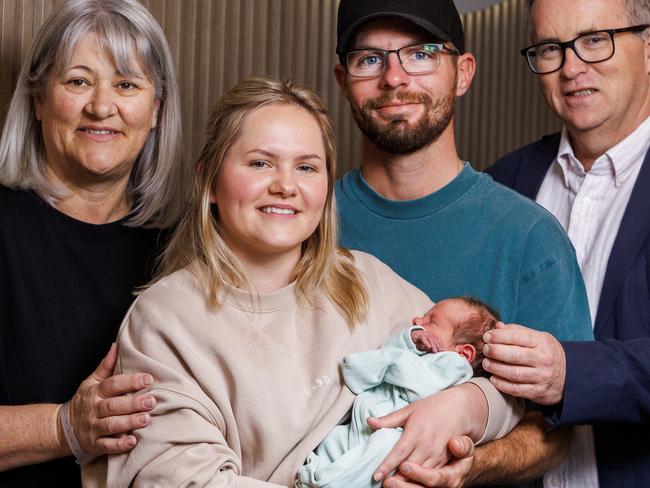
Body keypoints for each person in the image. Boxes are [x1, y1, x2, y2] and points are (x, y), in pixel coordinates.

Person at [81, 77, 519, 487]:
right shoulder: (165, 319)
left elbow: (498, 392)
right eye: (259, 163)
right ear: (209, 181)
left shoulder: (370, 282)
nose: (285, 186)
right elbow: (182, 478)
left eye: (307, 168)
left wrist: (465, 406)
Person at [331, 0, 594, 486]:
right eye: (369, 59)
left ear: (463, 73)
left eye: (421, 54)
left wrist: (471, 461)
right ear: (343, 79)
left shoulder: (531, 239)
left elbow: (563, 429)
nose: (393, 78)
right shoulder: (304, 226)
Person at [0, 0, 187, 486]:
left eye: (126, 84)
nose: (102, 106)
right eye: (78, 81)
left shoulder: (185, 249)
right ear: (39, 100)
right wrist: (64, 427)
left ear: (155, 110)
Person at [485, 0, 650, 486]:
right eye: (551, 48)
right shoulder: (505, 182)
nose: (572, 69)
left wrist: (570, 374)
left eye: (595, 40)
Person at [297, 297, 501, 488]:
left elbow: (406, 373)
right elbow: (371, 364)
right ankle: (315, 475)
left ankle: (326, 483)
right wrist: (408, 341)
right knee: (331, 440)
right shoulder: (414, 354)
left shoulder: (454, 367)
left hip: (396, 435)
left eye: (432, 321)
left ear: (463, 353)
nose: (417, 319)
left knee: (384, 449)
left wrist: (386, 362)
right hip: (360, 428)